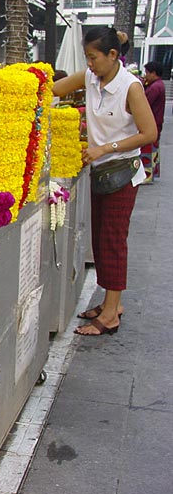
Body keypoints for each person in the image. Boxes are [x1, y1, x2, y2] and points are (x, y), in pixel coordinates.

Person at [53, 26, 158, 336]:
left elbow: (149, 133)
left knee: (113, 241)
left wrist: (104, 147)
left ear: (113, 56)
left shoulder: (131, 87)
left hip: (122, 173)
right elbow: (57, 89)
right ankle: (112, 302)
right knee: (100, 239)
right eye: (87, 57)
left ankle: (111, 314)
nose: (89, 64)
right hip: (101, 172)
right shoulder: (91, 77)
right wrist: (20, 84)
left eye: (93, 57)